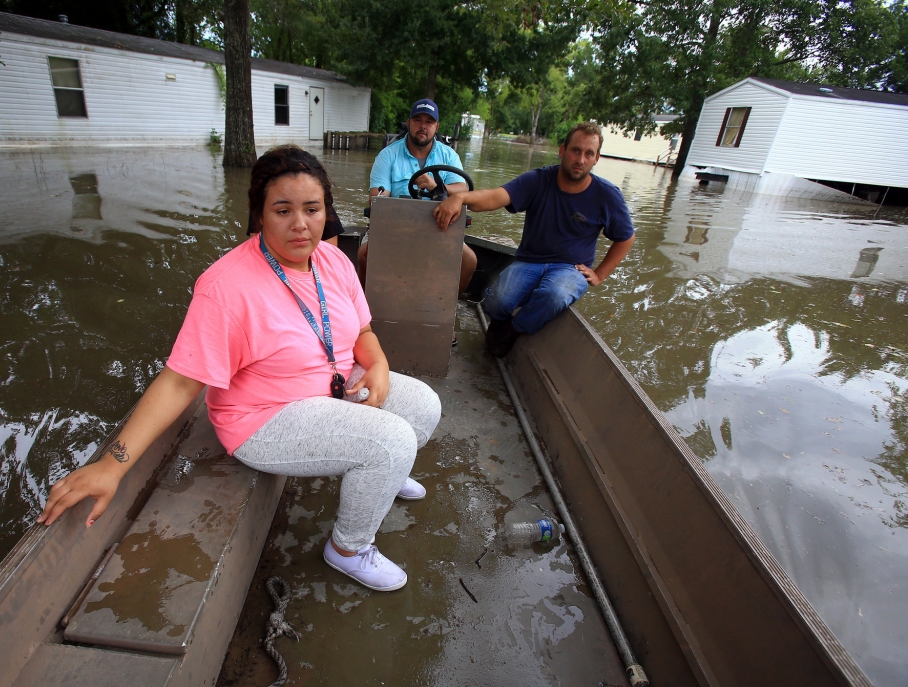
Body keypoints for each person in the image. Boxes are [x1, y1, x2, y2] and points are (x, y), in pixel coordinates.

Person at [39, 146, 442, 593]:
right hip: (266, 415)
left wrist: (380, 364)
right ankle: (348, 548)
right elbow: (178, 381)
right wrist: (110, 466)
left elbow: (362, 331)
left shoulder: (334, 261)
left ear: (327, 212)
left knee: (424, 406)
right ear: (259, 214)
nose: (300, 224)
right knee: (390, 441)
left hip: (332, 382)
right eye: (283, 210)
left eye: (312, 209)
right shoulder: (226, 287)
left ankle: (382, 475)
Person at [433, 122, 635, 357]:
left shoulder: (607, 195)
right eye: (575, 150)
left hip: (570, 268)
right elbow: (495, 196)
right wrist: (461, 198)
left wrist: (600, 274)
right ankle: (500, 320)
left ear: (596, 158)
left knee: (555, 294)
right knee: (496, 300)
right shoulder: (538, 180)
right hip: (530, 261)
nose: (580, 159)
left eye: (588, 153)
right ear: (563, 150)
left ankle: (511, 329)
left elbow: (626, 238)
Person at [362, 99, 478, 301]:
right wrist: (380, 198)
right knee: (365, 253)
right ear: (409, 123)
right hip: (394, 227)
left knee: (469, 260)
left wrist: (437, 187)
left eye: (429, 122)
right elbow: (377, 195)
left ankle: (447, 312)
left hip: (438, 228)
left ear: (436, 127)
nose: (423, 126)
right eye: (417, 120)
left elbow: (462, 189)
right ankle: (365, 312)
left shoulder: (449, 155)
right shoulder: (387, 155)